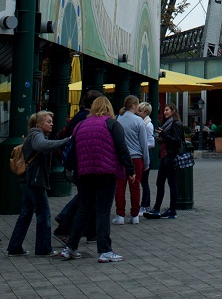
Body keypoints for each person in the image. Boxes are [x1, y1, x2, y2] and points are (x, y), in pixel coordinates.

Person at [59, 95, 135, 263]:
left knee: (84, 209)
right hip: (106, 172)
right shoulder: (112, 124)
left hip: (84, 173)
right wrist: (130, 169)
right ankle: (105, 250)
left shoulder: (81, 125)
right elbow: (122, 148)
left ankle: (70, 247)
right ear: (109, 108)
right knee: (102, 211)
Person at [7, 111, 70, 257]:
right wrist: (66, 141)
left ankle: (15, 247)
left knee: (26, 213)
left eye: (51, 121)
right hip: (34, 180)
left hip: (28, 180)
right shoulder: (37, 135)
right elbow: (43, 146)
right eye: (48, 121)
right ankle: (43, 248)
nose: (52, 123)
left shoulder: (34, 135)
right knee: (43, 213)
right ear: (39, 124)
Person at [54, 88, 102, 242]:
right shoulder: (86, 118)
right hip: (82, 163)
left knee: (88, 196)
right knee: (86, 196)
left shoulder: (79, 116)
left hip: (78, 162)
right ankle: (65, 222)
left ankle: (89, 230)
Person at [143, 103, 185, 219]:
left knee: (171, 183)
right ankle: (157, 209)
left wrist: (164, 135)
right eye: (164, 110)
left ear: (173, 111)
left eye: (167, 110)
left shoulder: (175, 123)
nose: (165, 112)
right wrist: (160, 139)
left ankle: (172, 210)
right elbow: (168, 140)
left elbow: (176, 141)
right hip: (164, 156)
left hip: (170, 156)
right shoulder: (167, 123)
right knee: (160, 182)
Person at [112, 95, 149, 225]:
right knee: (135, 186)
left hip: (121, 158)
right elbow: (143, 143)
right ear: (133, 105)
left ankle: (120, 214)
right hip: (136, 157)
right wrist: (146, 161)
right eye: (137, 104)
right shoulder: (139, 121)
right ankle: (134, 215)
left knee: (120, 187)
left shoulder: (117, 119)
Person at [137, 102, 155, 215]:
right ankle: (146, 204)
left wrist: (141, 145)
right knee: (143, 181)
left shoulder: (148, 125)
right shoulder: (143, 123)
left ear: (146, 112)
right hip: (144, 152)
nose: (138, 113)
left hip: (146, 153)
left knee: (144, 181)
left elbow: (151, 143)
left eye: (140, 111)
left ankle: (145, 205)